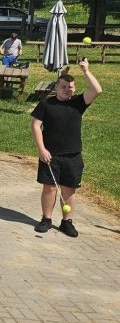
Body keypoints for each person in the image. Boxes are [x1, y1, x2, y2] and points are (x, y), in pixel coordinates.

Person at [31, 59, 102, 238]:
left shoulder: (78, 102)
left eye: (70, 87)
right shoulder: (47, 104)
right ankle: (46, 219)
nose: (67, 89)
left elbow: (97, 90)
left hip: (73, 155)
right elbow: (36, 125)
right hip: (50, 154)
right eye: (64, 86)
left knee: (69, 189)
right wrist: (41, 149)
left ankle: (66, 222)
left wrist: (86, 71)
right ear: (57, 86)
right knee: (49, 188)